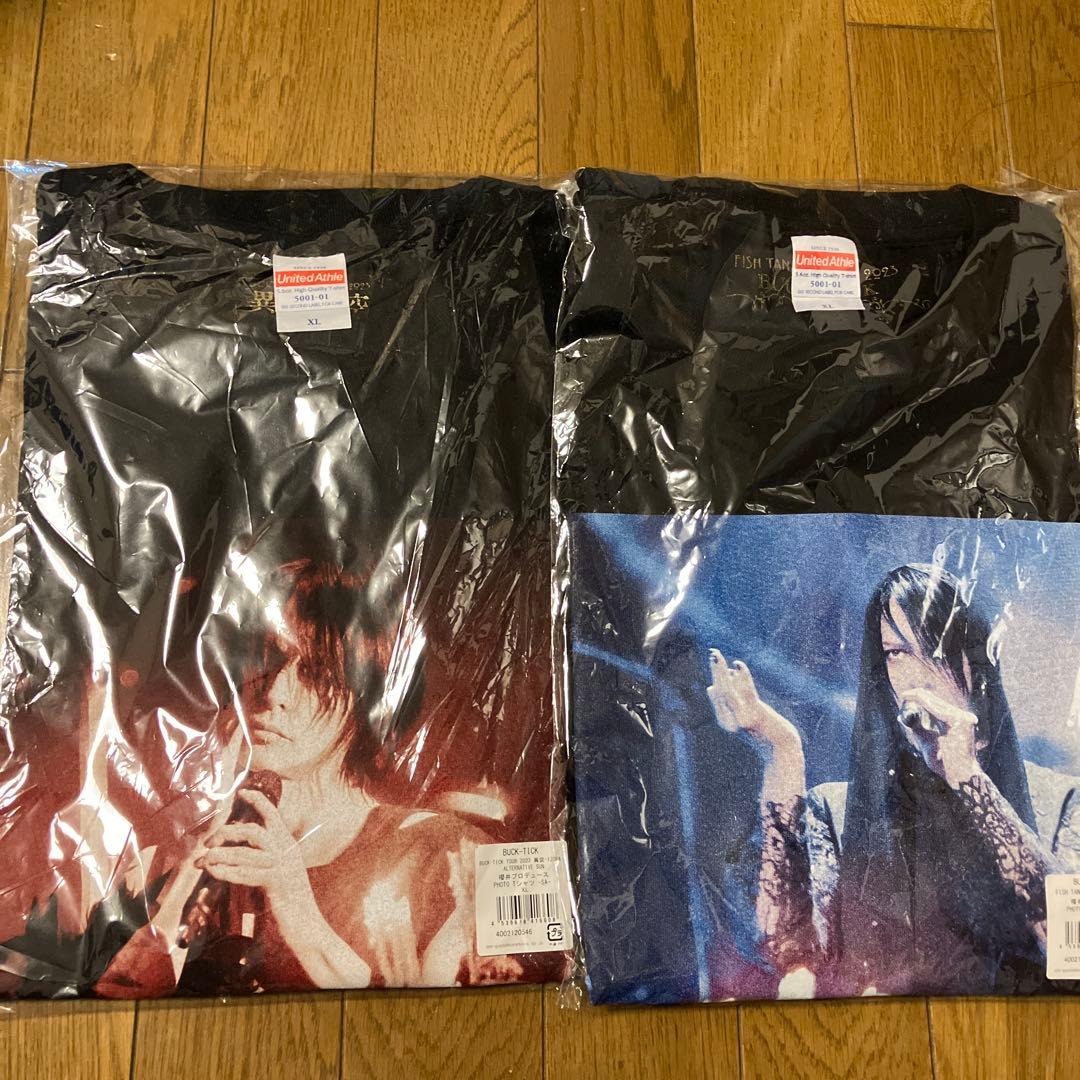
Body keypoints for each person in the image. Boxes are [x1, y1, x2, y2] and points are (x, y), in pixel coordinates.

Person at [96, 559, 520, 996]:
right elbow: (122, 992)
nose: (274, 693)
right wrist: (195, 856)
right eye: (267, 662)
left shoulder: (443, 853)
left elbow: (448, 1019)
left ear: (368, 696)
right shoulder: (191, 848)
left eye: (315, 673)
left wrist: (295, 904)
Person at [706, 563, 1080, 997]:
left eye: (934, 650)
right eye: (897, 654)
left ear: (974, 666)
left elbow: (1070, 951)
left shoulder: (1060, 801)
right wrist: (782, 753)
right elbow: (789, 952)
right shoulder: (837, 813)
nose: (917, 676)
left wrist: (967, 777)